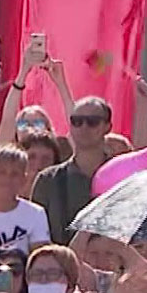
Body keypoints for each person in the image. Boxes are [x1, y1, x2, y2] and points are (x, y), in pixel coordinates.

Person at [31, 97, 114, 246]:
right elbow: (37, 239)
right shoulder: (48, 180)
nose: (83, 127)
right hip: (63, 266)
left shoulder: (122, 177)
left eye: (92, 121)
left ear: (108, 126)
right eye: (77, 121)